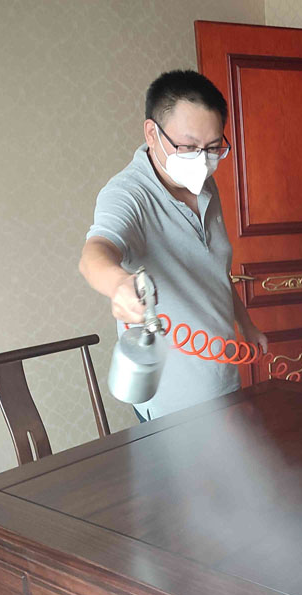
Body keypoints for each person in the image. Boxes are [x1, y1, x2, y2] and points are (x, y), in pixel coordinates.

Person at [79, 70, 267, 421]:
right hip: (172, 403)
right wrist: (118, 285)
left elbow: (215, 272)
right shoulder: (127, 194)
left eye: (213, 148)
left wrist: (247, 325)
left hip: (222, 379)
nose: (203, 160)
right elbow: (95, 253)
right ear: (152, 133)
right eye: (188, 147)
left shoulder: (204, 185)